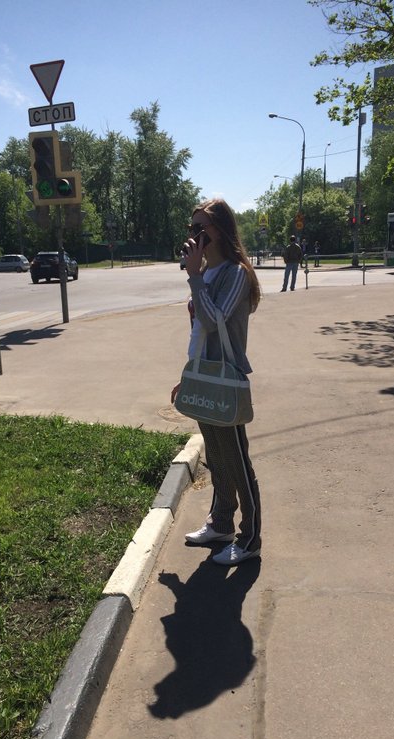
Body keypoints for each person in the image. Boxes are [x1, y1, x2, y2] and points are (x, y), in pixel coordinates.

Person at [171, 199, 262, 566]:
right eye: (191, 228)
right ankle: (221, 523)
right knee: (217, 456)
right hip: (204, 374)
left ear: (220, 231)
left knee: (237, 461)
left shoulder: (235, 273)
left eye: (200, 228)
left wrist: (194, 276)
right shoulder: (207, 271)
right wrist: (187, 377)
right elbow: (199, 333)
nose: (194, 235)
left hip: (226, 378)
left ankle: (250, 538)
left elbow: (214, 321)